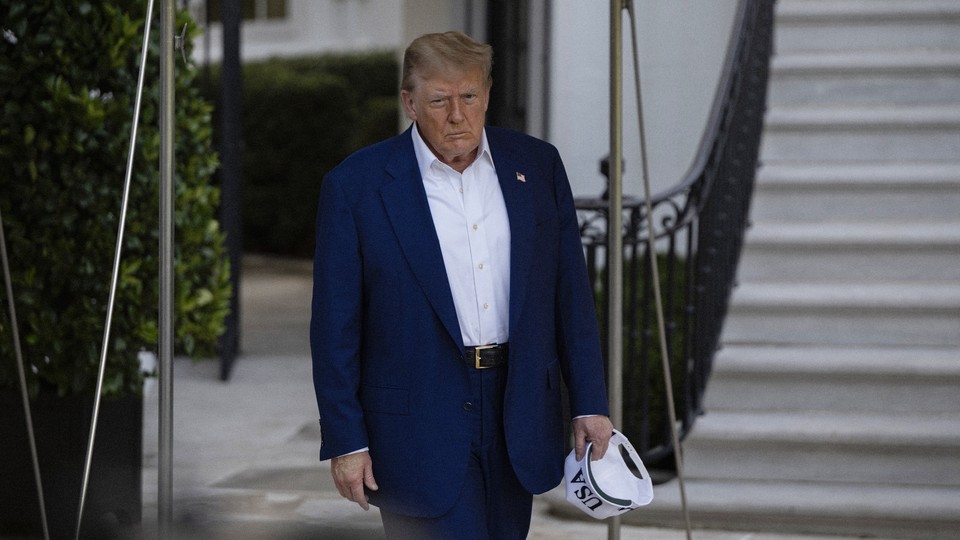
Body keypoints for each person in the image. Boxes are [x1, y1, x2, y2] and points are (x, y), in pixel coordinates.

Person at [311, 31, 613, 539]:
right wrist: (346, 439)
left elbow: (570, 296)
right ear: (409, 103)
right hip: (415, 421)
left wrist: (589, 402)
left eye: (469, 96)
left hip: (518, 408)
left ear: (487, 94)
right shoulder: (355, 187)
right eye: (439, 100)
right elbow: (335, 328)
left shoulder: (537, 167)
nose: (457, 115)